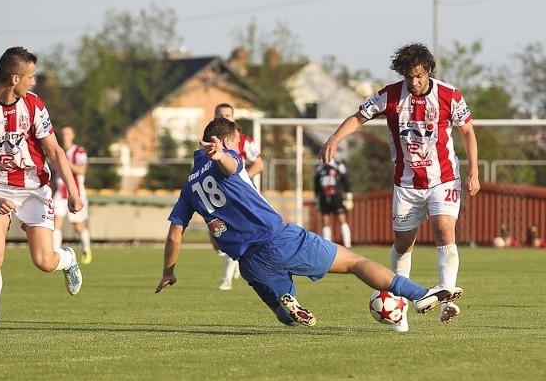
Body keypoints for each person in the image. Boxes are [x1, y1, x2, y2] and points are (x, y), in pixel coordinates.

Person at [155, 118, 463, 327]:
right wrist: (223, 154)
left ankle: (289, 304)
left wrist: (169, 271)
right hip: (279, 239)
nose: (239, 149)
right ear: (223, 141)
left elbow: (174, 234)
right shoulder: (227, 160)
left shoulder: (189, 187)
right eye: (236, 143)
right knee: (355, 262)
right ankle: (419, 293)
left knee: (280, 311)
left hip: (248, 262)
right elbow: (231, 163)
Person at [319, 43, 480, 332]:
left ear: (428, 71)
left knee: (445, 229)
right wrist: (334, 139)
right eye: (409, 76)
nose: (415, 82)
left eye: (419, 75)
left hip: (443, 178)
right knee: (405, 243)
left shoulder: (449, 95)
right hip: (406, 184)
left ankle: (446, 297)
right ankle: (399, 307)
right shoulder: (390, 95)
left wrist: (474, 171)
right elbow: (359, 117)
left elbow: (467, 130)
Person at [0, 46, 84, 338]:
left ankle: (67, 259)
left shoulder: (35, 105)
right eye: (32, 77)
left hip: (34, 189)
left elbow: (54, 151)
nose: (35, 82)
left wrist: (73, 191)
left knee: (44, 262)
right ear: (15, 79)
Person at [212, 103, 264, 291]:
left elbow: (259, 164)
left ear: (234, 118)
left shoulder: (242, 140)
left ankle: (227, 279)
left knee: (235, 234)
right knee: (220, 236)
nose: (224, 118)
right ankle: (236, 261)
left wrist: (242, 180)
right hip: (217, 193)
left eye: (228, 115)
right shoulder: (208, 141)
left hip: (240, 194)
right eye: (220, 115)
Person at [53, 125, 92, 264]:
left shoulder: (79, 151)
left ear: (73, 135)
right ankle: (56, 252)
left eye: (68, 134)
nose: (65, 136)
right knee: (56, 222)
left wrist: (66, 163)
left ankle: (86, 248)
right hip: (59, 193)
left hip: (75, 193)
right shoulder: (58, 151)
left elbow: (81, 171)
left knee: (78, 226)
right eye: (63, 134)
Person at [313, 157, 353, 248]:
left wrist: (348, 194)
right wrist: (316, 197)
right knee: (325, 220)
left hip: (336, 196)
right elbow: (316, 184)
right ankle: (326, 245)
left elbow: (345, 180)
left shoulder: (339, 165)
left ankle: (347, 244)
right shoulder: (319, 167)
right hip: (324, 197)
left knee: (341, 219)